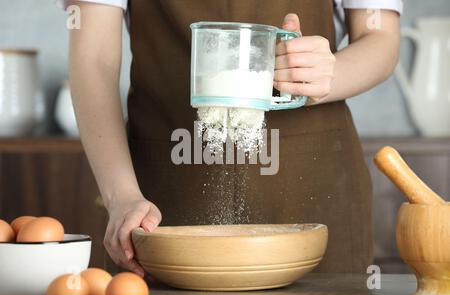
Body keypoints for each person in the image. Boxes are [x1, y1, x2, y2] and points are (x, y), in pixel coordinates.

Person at [62, 0, 401, 276]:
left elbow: (380, 38)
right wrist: (121, 195)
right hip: (162, 197)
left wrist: (327, 74)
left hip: (315, 186)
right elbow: (94, 58)